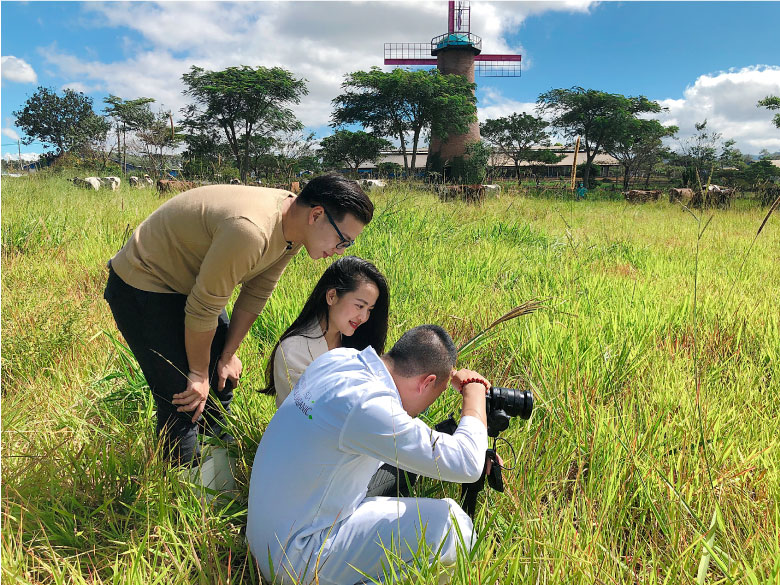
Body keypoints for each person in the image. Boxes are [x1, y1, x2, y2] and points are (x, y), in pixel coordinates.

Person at [103, 173, 374, 466]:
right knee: (184, 397)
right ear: (317, 215)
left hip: (192, 283)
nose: (338, 252)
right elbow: (203, 308)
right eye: (342, 240)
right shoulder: (251, 230)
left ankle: (221, 478)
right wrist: (197, 373)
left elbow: (257, 291)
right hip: (144, 283)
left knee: (223, 380)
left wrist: (227, 355)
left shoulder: (294, 227)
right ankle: (185, 497)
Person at [247, 325, 490, 585]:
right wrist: (474, 393)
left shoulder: (340, 360)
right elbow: (467, 464)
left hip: (266, 539)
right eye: (434, 396)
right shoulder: (367, 404)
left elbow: (388, 436)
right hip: (297, 559)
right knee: (454, 527)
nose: (423, 410)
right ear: (427, 382)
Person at [263, 256, 389, 408]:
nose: (364, 317)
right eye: (359, 306)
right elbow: (310, 414)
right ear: (331, 296)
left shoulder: (357, 342)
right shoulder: (294, 351)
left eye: (369, 310)